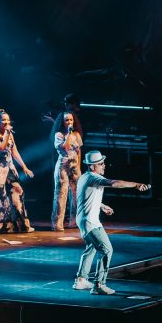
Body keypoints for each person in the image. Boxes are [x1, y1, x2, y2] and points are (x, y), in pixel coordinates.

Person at [72, 150, 148, 296]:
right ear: (93, 166)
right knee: (107, 250)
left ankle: (81, 280)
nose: (104, 165)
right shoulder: (94, 178)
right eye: (101, 163)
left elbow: (85, 196)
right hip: (90, 222)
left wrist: (101, 206)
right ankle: (99, 284)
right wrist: (135, 184)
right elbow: (115, 183)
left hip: (83, 219)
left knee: (91, 248)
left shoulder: (84, 177)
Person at [0, 108, 35, 236]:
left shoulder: (10, 134)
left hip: (9, 167)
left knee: (18, 192)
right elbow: (1, 148)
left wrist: (24, 167)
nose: (6, 122)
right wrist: (7, 133)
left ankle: (21, 225)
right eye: (3, 120)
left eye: (7, 120)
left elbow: (14, 151)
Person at [52, 111, 83, 232]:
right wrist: (69, 134)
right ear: (62, 122)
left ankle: (73, 221)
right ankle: (57, 223)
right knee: (61, 195)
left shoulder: (77, 134)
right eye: (67, 120)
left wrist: (79, 167)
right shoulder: (59, 135)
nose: (69, 122)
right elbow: (64, 147)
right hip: (63, 167)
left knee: (76, 195)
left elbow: (78, 151)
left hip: (74, 167)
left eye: (71, 119)